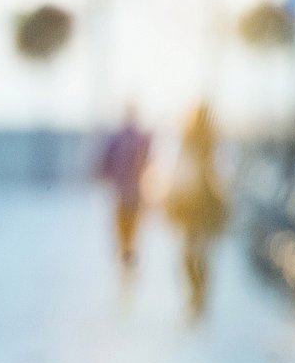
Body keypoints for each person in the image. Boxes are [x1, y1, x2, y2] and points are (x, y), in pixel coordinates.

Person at [164, 101, 230, 322]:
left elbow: (181, 173)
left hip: (195, 208)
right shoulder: (206, 140)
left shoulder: (199, 140)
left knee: (192, 255)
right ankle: (198, 298)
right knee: (198, 256)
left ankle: (197, 299)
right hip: (202, 208)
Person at [95, 105, 153, 273]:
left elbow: (105, 163)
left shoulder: (123, 138)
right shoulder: (133, 138)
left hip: (126, 192)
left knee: (126, 227)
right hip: (130, 192)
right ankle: (127, 255)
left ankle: (126, 255)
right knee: (128, 227)